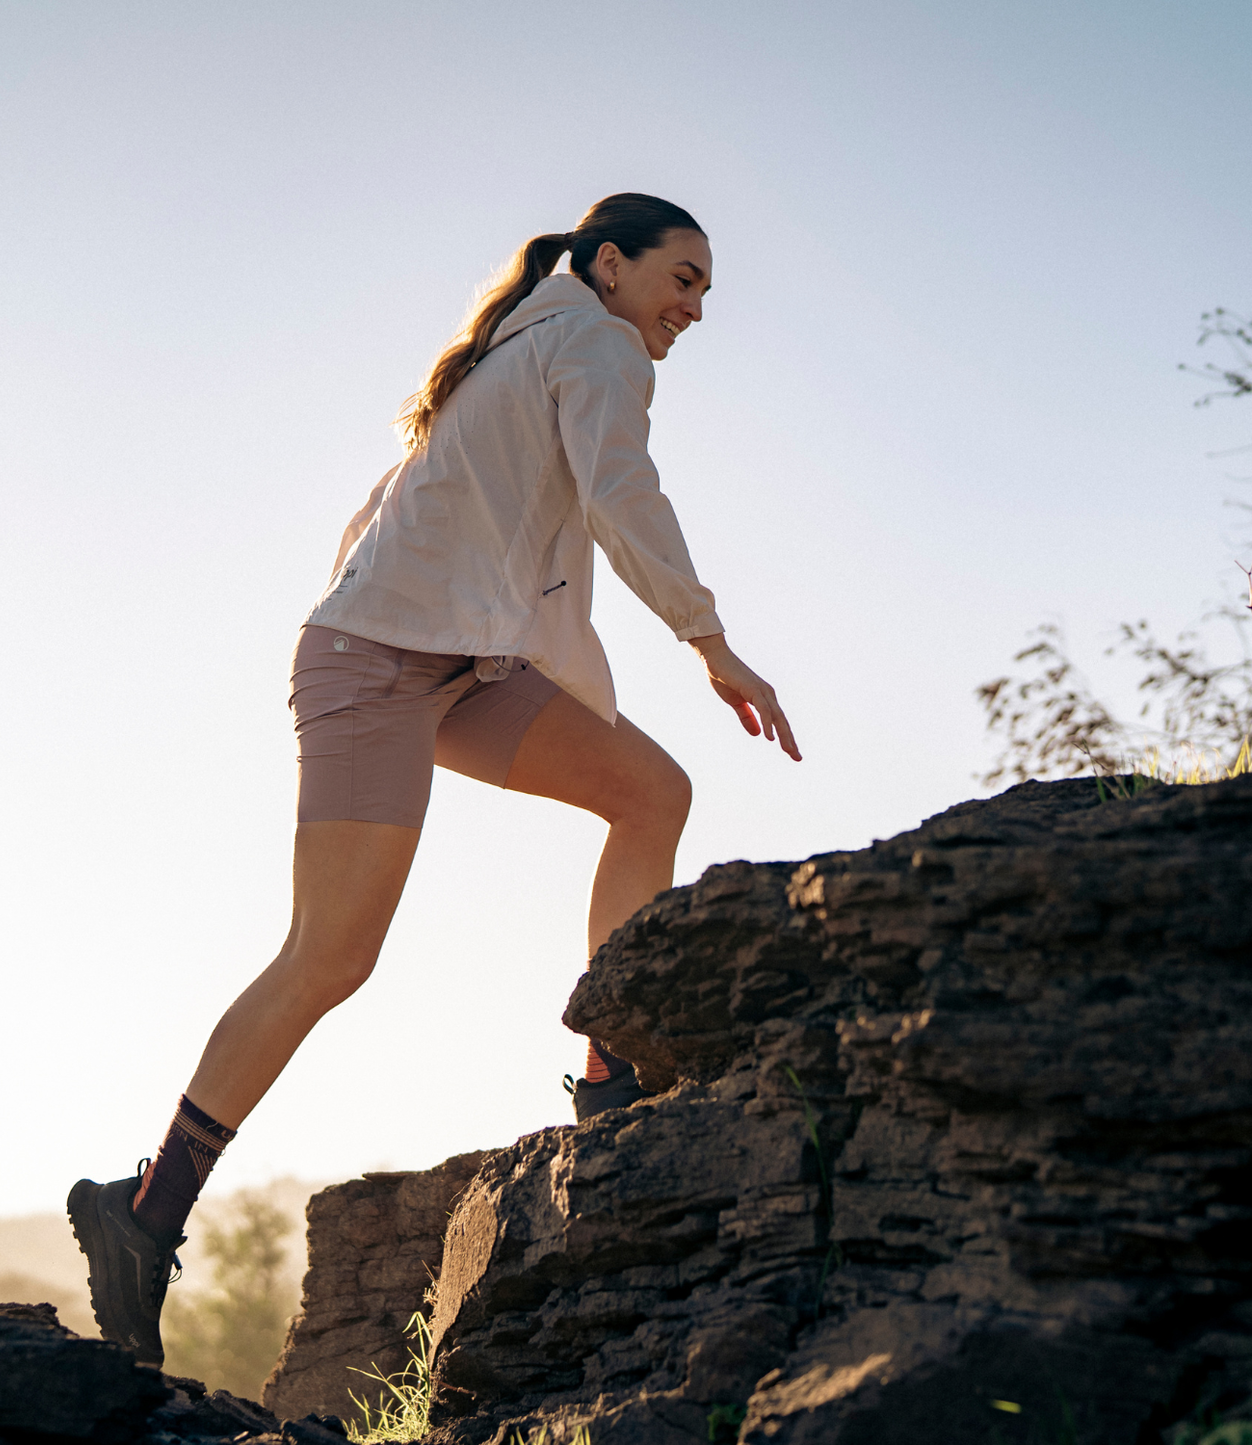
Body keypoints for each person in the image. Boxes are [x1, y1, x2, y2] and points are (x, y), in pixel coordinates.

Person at [67, 192, 801, 1366]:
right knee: (331, 953)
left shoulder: (522, 341)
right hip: (379, 665)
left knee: (649, 791)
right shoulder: (592, 341)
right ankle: (143, 1212)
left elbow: (389, 507)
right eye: (683, 278)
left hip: (453, 664)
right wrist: (709, 643)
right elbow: (621, 494)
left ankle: (610, 1071)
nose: (692, 308)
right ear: (609, 267)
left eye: (706, 289)